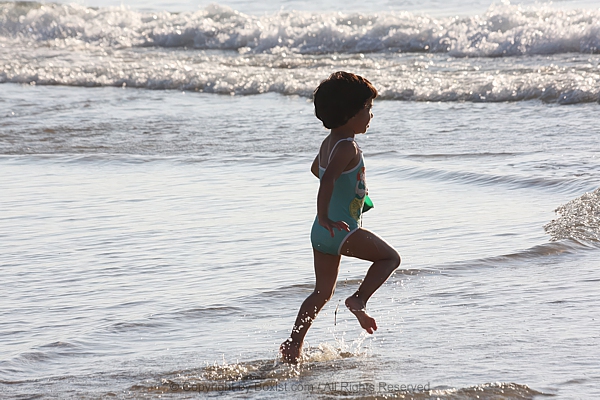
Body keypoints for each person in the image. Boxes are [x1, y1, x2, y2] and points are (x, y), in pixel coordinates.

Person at [280, 71, 401, 364]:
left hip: (322, 232)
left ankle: (293, 344)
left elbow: (317, 171)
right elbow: (326, 180)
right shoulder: (348, 146)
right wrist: (327, 214)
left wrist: (353, 195)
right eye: (367, 109)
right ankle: (359, 299)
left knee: (321, 292)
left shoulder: (329, 143)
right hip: (338, 229)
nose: (370, 116)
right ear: (349, 114)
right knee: (390, 259)